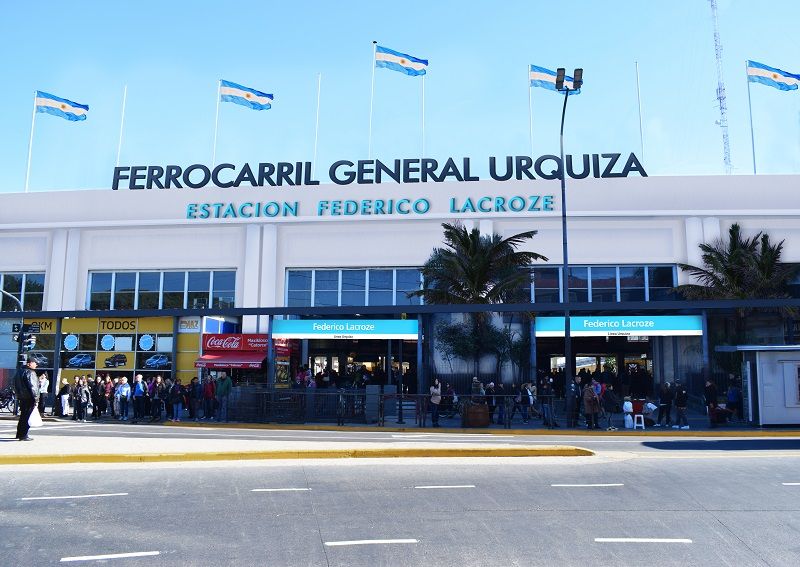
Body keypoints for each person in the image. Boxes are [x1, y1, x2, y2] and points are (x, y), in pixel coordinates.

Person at [13, 358, 40, 441]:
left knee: (23, 416)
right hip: (29, 398)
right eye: (35, 363)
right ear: (29, 363)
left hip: (22, 397)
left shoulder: (19, 372)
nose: (36, 365)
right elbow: (33, 387)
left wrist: (18, 395)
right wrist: (36, 399)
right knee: (27, 417)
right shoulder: (30, 372)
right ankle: (23, 435)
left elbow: (14, 384)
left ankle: (19, 433)